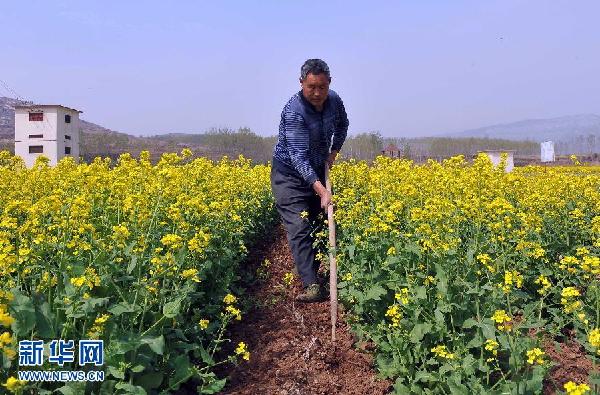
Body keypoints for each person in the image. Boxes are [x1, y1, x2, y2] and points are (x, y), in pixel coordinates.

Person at [271, 59, 349, 302]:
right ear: (301, 83)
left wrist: (333, 153)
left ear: (329, 84)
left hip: (316, 167)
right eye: (311, 87)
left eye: (322, 87)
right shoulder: (294, 111)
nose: (317, 93)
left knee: (317, 224)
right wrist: (322, 190)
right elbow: (298, 157)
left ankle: (307, 267)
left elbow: (343, 125)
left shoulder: (334, 101)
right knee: (299, 226)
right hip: (290, 175)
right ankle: (312, 285)